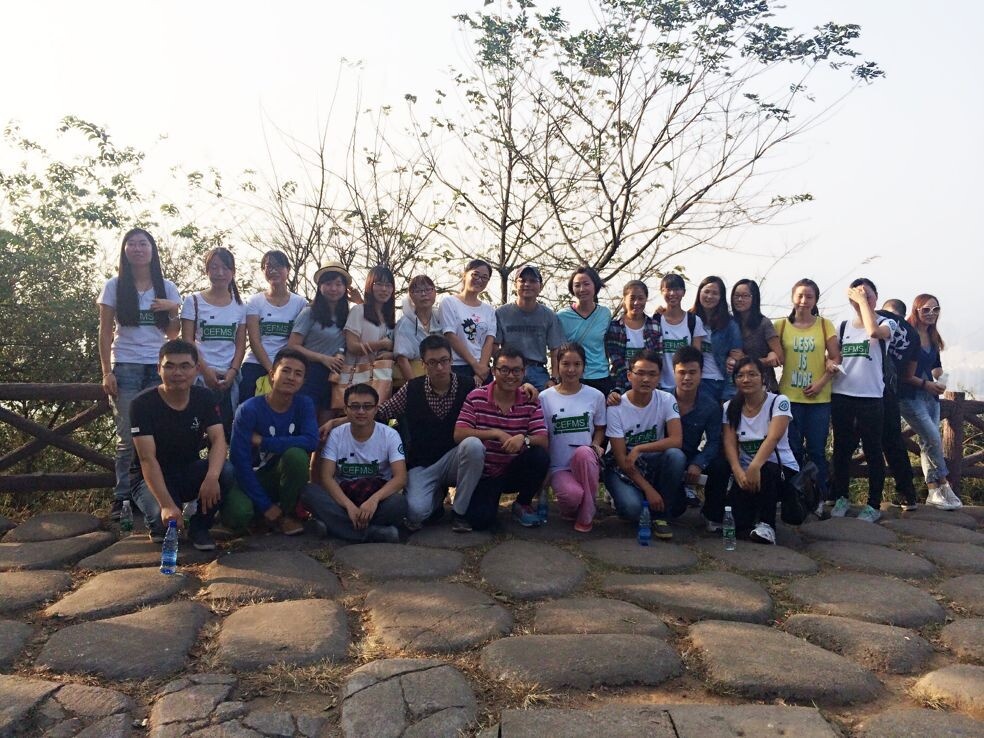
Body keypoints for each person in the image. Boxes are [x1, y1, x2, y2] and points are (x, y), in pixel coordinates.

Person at [98, 227, 181, 519]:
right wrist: (106, 371)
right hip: (126, 366)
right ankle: (122, 499)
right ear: (124, 250)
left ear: (152, 250)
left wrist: (173, 308)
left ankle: (159, 497)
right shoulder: (114, 286)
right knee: (126, 437)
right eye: (131, 244)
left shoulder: (167, 287)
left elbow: (173, 333)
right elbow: (105, 332)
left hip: (159, 368)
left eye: (143, 244)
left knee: (157, 437)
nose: (137, 248)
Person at [373, 335, 483, 532]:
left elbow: (494, 399)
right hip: (423, 465)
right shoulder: (412, 389)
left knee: (474, 446)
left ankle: (460, 512)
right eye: (432, 362)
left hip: (456, 459)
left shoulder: (469, 386)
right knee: (415, 513)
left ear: (451, 360)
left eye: (444, 361)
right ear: (423, 364)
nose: (439, 367)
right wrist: (341, 420)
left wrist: (525, 388)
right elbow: (382, 412)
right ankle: (436, 498)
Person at [130, 340, 232, 551]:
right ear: (159, 369)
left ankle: (200, 527)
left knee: (227, 471)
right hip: (150, 478)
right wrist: (167, 505)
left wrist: (212, 477)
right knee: (164, 525)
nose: (177, 373)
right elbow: (147, 459)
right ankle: (160, 518)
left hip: (187, 470)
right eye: (170, 366)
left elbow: (218, 439)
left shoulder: (204, 397)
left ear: (196, 369)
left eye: (185, 366)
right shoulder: (142, 404)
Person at [454, 347, 550, 529]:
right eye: (504, 370)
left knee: (539, 456)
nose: (510, 376)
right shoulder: (476, 397)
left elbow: (543, 440)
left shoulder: (530, 399)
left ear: (524, 372)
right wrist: (495, 433)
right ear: (493, 371)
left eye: (516, 370)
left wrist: (524, 439)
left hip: (514, 470)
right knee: (481, 522)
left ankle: (522, 504)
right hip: (486, 473)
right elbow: (459, 433)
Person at [225, 348, 319, 535]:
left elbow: (311, 442)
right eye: (286, 370)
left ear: (303, 381)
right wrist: (265, 505)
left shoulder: (304, 404)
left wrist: (264, 442)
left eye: (298, 374)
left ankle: (286, 515)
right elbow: (239, 462)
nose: (291, 377)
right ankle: (263, 514)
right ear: (272, 375)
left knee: (296, 456)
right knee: (239, 515)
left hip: (275, 476)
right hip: (248, 478)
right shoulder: (248, 410)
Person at [301, 384, 409, 543]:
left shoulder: (390, 435)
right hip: (342, 498)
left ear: (375, 409)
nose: (361, 411)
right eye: (355, 406)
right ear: (346, 409)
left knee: (399, 504)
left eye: (367, 406)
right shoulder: (336, 435)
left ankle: (335, 527)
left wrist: (373, 501)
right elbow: (326, 477)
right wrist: (349, 506)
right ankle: (373, 533)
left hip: (376, 500)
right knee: (308, 492)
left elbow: (400, 478)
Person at [829, 278, 895, 523]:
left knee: (873, 450)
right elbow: (833, 356)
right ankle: (841, 497)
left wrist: (863, 302)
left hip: (871, 397)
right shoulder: (842, 327)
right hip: (842, 394)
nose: (863, 298)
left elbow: (873, 332)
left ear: (876, 297)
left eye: (868, 295)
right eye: (858, 294)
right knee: (842, 450)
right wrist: (829, 363)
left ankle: (873, 504)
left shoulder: (886, 323)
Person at [604, 350, 685, 540]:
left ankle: (660, 516)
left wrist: (640, 448)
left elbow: (676, 440)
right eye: (640, 373)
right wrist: (649, 489)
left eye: (652, 374)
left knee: (676, 456)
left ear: (659, 376)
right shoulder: (616, 407)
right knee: (632, 510)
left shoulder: (666, 399)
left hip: (650, 460)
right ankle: (641, 500)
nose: (646, 379)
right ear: (629, 375)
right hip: (621, 468)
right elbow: (621, 459)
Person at [774, 278, 840, 510]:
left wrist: (821, 382)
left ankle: (818, 498)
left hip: (819, 399)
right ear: (793, 297)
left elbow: (836, 357)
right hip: (788, 397)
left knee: (816, 450)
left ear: (815, 300)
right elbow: (772, 354)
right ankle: (792, 497)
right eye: (800, 295)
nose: (804, 300)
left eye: (809, 296)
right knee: (790, 449)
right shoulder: (780, 326)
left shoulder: (824, 325)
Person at [719, 357, 799, 544]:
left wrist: (754, 467)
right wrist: (738, 471)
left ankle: (767, 526)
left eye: (752, 374)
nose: (746, 379)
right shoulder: (730, 407)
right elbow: (729, 442)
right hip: (746, 471)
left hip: (779, 470)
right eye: (740, 375)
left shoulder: (779, 401)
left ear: (763, 377)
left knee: (766, 470)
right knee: (738, 524)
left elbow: (773, 438)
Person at [901, 293, 961, 509]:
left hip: (930, 395)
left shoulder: (932, 335)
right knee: (933, 437)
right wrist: (926, 384)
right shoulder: (907, 334)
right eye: (925, 309)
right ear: (915, 310)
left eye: (935, 309)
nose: (931, 313)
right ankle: (944, 483)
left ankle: (933, 491)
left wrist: (941, 380)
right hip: (909, 395)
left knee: (928, 441)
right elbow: (902, 373)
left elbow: (935, 365)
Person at [538, 343, 607, 532]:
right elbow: (542, 435)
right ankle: (572, 508)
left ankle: (586, 515)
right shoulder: (545, 397)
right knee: (572, 496)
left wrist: (596, 444)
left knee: (584, 453)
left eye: (577, 364)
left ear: (584, 367)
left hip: (586, 463)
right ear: (557, 365)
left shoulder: (595, 396)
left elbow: (600, 428)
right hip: (559, 466)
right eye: (566, 364)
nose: (571, 370)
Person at [180, 247, 246, 439]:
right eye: (214, 267)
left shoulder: (240, 306)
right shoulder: (193, 301)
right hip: (199, 377)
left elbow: (240, 345)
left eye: (225, 268)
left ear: (233, 271)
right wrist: (205, 371)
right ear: (206, 270)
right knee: (192, 431)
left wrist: (232, 372)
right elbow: (188, 341)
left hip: (228, 379)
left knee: (223, 433)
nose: (220, 273)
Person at [287, 262, 350, 424]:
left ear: (345, 288)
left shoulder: (348, 315)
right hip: (310, 374)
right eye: (328, 284)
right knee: (306, 423)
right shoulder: (310, 312)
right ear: (320, 286)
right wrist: (323, 358)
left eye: (338, 284)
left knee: (326, 428)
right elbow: (293, 346)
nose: (333, 288)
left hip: (335, 377)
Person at [241, 250, 307, 402]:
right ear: (263, 270)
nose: (273, 270)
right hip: (256, 363)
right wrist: (272, 370)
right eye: (268, 266)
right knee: (247, 406)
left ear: (288, 270)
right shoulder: (254, 301)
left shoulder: (300, 303)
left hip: (287, 365)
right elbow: (254, 341)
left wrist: (281, 369)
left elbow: (300, 339)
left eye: (278, 266)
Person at [670, 345, 725, 515]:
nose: (687, 378)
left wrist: (699, 463)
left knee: (721, 464)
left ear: (701, 373)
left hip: (693, 456)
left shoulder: (710, 406)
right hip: (667, 458)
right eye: (682, 372)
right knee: (675, 510)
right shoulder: (662, 399)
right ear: (673, 373)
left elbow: (713, 441)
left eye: (692, 372)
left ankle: (712, 515)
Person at [876, 298, 919, 511]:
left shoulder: (878, 318)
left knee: (851, 440)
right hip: (891, 393)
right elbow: (908, 372)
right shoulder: (913, 335)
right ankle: (907, 494)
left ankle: (835, 493)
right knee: (894, 442)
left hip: (867, 390)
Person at [494, 265, 564, 390]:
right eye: (522, 281)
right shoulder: (501, 313)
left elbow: (555, 350)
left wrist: (554, 378)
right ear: (515, 284)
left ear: (540, 286)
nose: (527, 284)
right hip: (509, 370)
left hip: (537, 371)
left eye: (532, 281)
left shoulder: (549, 315)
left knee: (544, 400)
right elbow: (494, 346)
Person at [440, 259, 497, 387]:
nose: (479, 280)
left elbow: (489, 340)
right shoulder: (449, 303)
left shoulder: (489, 310)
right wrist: (475, 365)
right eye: (475, 274)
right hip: (457, 366)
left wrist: (481, 369)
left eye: (484, 277)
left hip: (483, 369)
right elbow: (450, 336)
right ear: (464, 275)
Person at [556, 266, 613, 395]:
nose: (582, 289)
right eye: (577, 285)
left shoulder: (605, 313)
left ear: (595, 286)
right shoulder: (562, 316)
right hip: (573, 376)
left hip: (600, 376)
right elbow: (557, 349)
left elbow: (607, 344)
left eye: (586, 284)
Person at [604, 280, 662, 395]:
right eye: (632, 298)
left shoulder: (654, 326)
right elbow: (615, 359)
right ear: (624, 299)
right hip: (619, 387)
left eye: (641, 298)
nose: (636, 302)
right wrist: (631, 382)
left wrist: (646, 380)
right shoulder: (614, 326)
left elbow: (658, 358)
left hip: (648, 387)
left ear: (646, 299)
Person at [690, 276, 741, 402]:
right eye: (706, 291)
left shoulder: (730, 324)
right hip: (697, 381)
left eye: (715, 293)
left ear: (721, 297)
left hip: (722, 381)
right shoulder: (688, 319)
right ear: (699, 292)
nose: (709, 296)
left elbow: (737, 355)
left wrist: (732, 359)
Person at [654, 273, 706, 391]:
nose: (672, 293)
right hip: (661, 387)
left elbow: (697, 357)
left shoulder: (694, 321)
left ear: (683, 292)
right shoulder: (656, 320)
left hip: (686, 387)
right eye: (668, 289)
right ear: (662, 292)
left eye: (677, 289)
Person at [732, 279, 783, 391]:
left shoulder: (764, 323)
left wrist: (746, 360)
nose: (740, 299)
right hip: (735, 386)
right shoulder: (729, 323)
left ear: (754, 298)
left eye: (745, 296)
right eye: (736, 296)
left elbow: (780, 358)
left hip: (764, 386)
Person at [394, 274, 444, 384]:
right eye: (418, 291)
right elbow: (402, 360)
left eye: (428, 289)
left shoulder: (441, 319)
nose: (424, 294)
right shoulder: (404, 324)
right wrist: (416, 386)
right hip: (415, 379)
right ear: (410, 295)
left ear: (435, 292)